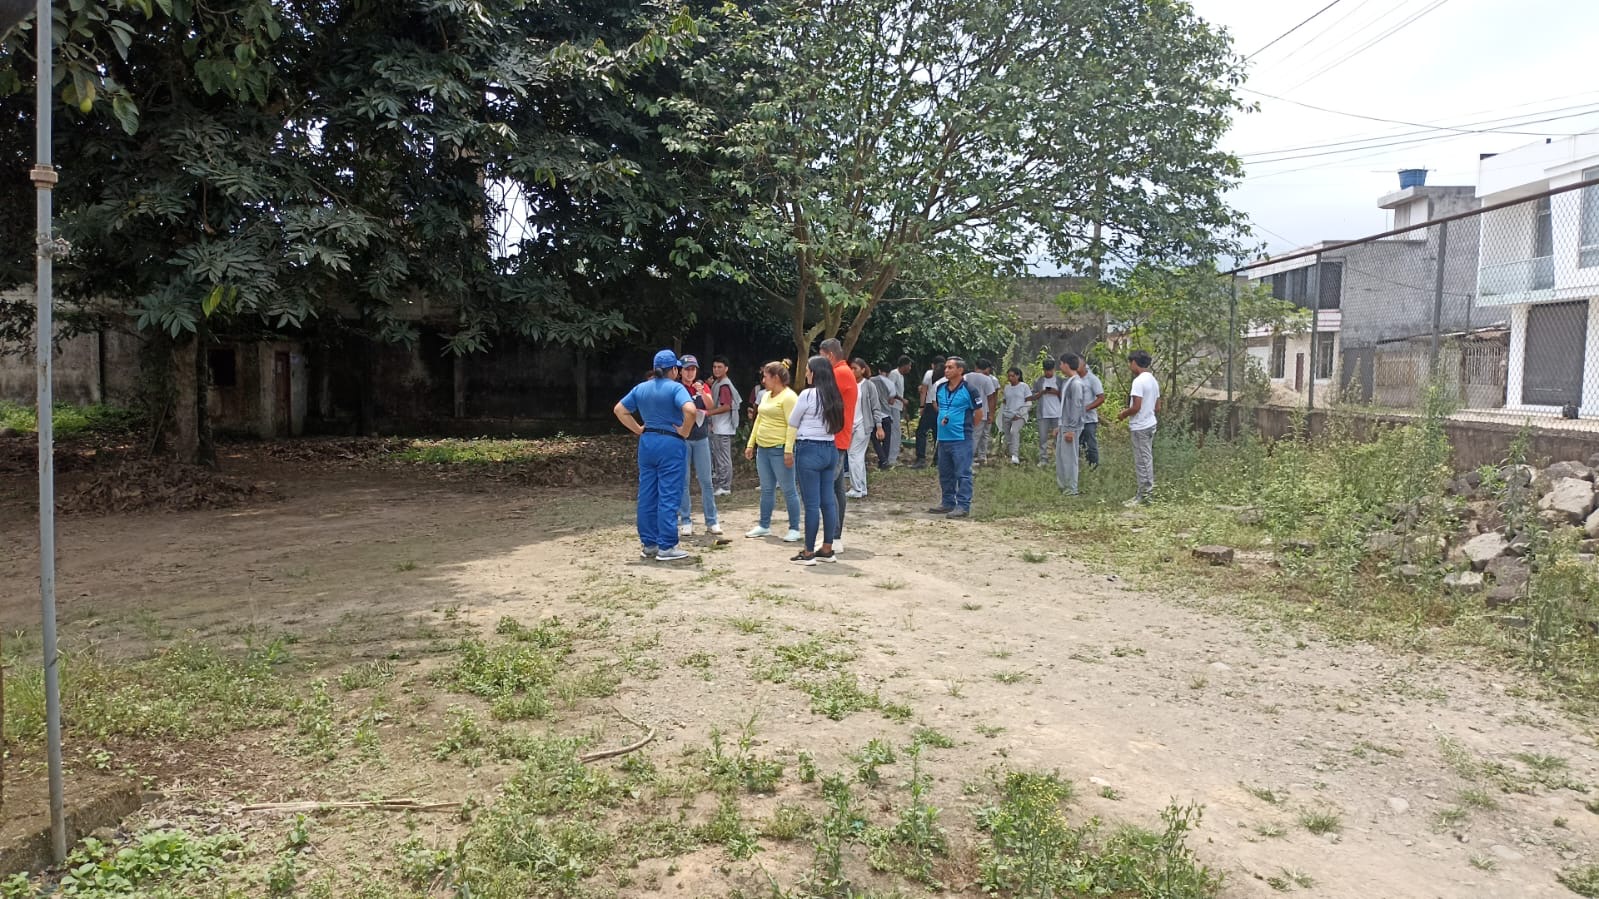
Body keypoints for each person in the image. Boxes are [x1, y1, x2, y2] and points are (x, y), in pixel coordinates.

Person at [614, 350, 696, 561]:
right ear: (674, 369)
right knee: (668, 494)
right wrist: (685, 431)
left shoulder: (641, 388)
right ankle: (667, 546)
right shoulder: (676, 388)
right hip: (670, 443)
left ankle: (649, 544)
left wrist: (638, 429)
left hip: (647, 443)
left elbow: (619, 410)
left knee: (647, 494)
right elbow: (690, 410)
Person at [788, 356, 845, 565]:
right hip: (830, 448)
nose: (805, 373)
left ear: (814, 372)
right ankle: (828, 548)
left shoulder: (808, 394)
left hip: (809, 449)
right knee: (827, 501)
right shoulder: (834, 395)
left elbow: (793, 420)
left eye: (807, 370)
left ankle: (808, 551)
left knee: (811, 504)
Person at [745, 361, 803, 542]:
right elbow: (759, 420)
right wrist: (751, 444)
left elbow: (792, 425)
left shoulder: (789, 397)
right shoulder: (765, 396)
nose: (763, 380)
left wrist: (788, 450)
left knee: (788, 489)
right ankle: (764, 525)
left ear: (776, 378)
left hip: (779, 449)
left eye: (766, 377)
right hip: (763, 449)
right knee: (766, 489)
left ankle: (794, 528)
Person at [928, 357, 984, 519]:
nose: (946, 370)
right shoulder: (941, 388)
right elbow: (939, 407)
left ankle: (963, 505)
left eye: (950, 367)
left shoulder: (970, 390)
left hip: (961, 438)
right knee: (945, 472)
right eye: (946, 367)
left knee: (963, 473)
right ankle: (947, 502)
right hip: (943, 438)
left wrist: (967, 428)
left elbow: (978, 414)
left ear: (960, 370)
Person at [819, 339, 857, 551]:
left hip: (836, 437)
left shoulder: (839, 373)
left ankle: (832, 537)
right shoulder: (843, 371)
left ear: (830, 356)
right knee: (836, 488)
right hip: (838, 436)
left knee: (828, 488)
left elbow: (822, 398)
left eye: (821, 357)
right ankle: (834, 535)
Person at [676, 356, 721, 536]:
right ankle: (686, 520)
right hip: (683, 438)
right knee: (683, 481)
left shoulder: (701, 385)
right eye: (687, 369)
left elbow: (710, 406)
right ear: (680, 371)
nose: (690, 373)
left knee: (706, 480)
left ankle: (712, 520)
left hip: (701, 437)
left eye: (693, 369)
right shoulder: (676, 387)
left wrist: (702, 392)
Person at [1117, 350, 1161, 505]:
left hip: (1140, 426)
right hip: (1150, 423)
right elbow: (1157, 407)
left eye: (1130, 363)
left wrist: (1123, 414)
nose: (1130, 366)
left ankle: (1145, 496)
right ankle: (1145, 493)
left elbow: (1136, 407)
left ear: (1135, 363)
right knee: (1146, 458)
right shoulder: (1153, 380)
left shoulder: (1138, 382)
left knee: (1142, 461)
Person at [846, 358, 890, 498]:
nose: (852, 371)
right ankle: (861, 487)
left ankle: (857, 488)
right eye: (851, 368)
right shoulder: (848, 384)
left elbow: (876, 407)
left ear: (863, 370)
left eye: (855, 368)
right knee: (856, 456)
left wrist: (879, 426)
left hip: (863, 425)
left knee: (854, 455)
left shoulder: (869, 385)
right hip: (849, 424)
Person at [1054, 353, 1088, 496]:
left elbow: (1076, 407)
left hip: (1071, 426)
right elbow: (1065, 406)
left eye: (1061, 363)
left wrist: (1072, 429)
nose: (1060, 366)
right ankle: (1064, 486)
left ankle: (1072, 489)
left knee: (1069, 458)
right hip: (1065, 424)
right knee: (1061, 457)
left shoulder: (1076, 384)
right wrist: (1060, 425)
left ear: (1066, 364)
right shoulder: (1068, 381)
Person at [707, 356, 738, 496]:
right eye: (714, 367)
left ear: (726, 369)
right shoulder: (717, 383)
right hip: (718, 426)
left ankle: (725, 486)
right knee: (719, 457)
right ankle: (721, 484)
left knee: (723, 458)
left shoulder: (724, 385)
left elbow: (726, 406)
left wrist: (709, 413)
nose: (716, 369)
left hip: (723, 427)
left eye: (719, 367)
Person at [911, 356, 945, 469]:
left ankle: (921, 459)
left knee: (921, 432)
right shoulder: (948, 376)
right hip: (943, 407)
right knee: (938, 434)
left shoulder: (929, 373)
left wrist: (922, 406)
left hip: (930, 405)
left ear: (932, 365)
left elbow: (923, 391)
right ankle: (937, 460)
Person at [1029, 359, 1062, 466]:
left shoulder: (1060, 381)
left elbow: (1066, 396)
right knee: (1043, 437)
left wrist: (1056, 392)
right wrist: (1042, 392)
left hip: (1058, 413)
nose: (1048, 373)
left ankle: (1059, 459)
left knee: (1059, 438)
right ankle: (1043, 459)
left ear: (1054, 369)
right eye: (1046, 370)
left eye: (1050, 370)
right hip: (1043, 413)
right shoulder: (1039, 381)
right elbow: (1032, 396)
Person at [1076, 356, 1105, 469]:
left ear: (1084, 364)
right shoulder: (1073, 379)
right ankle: (1080, 468)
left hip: (1089, 420)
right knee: (1078, 445)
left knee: (1090, 445)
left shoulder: (1092, 379)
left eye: (1078, 363)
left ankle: (1094, 468)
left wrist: (1086, 408)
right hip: (1076, 420)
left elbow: (1101, 398)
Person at [970, 359, 1000, 465]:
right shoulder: (987, 379)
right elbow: (992, 398)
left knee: (974, 435)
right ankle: (969, 460)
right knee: (976, 436)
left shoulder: (966, 377)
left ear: (975, 367)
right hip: (982, 412)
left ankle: (980, 457)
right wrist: (991, 413)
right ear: (987, 368)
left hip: (969, 411)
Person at [870, 362, 900, 470]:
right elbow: (891, 401)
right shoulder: (891, 384)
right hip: (886, 414)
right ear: (889, 372)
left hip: (874, 414)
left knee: (875, 439)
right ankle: (884, 461)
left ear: (879, 370)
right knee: (886, 440)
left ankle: (882, 460)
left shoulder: (871, 381)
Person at [999, 367, 1032, 465]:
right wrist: (1001, 413)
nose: (1010, 378)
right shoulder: (1007, 387)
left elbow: (1028, 401)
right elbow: (1005, 401)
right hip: (1007, 414)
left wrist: (1020, 413)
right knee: (1007, 435)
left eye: (1012, 376)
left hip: (1020, 415)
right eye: (1009, 376)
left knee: (1014, 431)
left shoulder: (1024, 386)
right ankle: (1010, 455)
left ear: (1018, 376)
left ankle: (1015, 455)